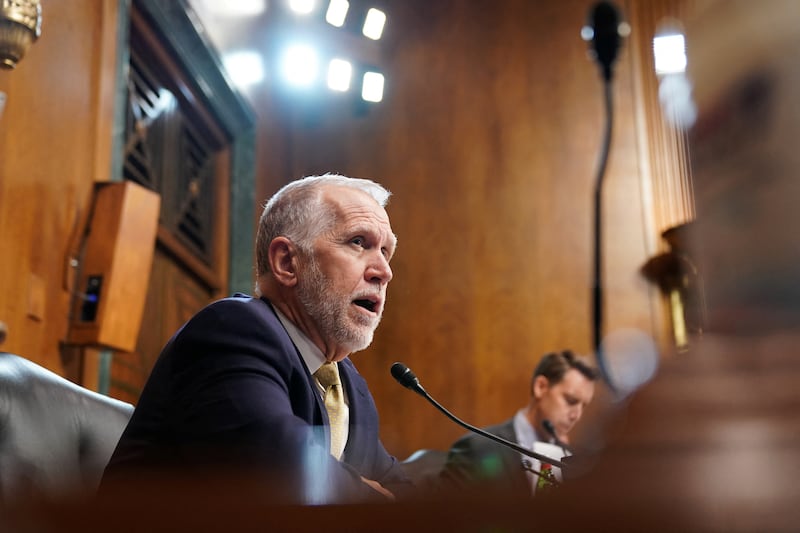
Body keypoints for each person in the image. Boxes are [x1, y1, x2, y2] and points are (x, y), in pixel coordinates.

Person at [100, 173, 410, 504]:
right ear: (287, 262)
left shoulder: (350, 388)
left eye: (386, 251)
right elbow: (278, 466)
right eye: (358, 242)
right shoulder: (232, 331)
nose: (383, 271)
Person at [439, 350, 597, 497]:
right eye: (570, 401)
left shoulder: (573, 462)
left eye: (583, 406)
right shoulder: (477, 449)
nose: (577, 415)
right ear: (540, 387)